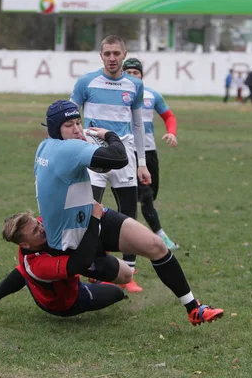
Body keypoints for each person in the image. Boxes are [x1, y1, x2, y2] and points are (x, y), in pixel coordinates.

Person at [30, 100, 224, 326]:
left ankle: (195, 309)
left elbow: (88, 166)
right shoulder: (69, 149)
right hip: (73, 243)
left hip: (93, 214)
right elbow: (119, 158)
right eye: (68, 125)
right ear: (55, 129)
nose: (76, 129)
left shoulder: (45, 146)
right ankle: (88, 271)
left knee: (155, 247)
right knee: (122, 275)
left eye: (77, 122)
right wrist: (108, 134)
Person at [70, 35, 151, 293]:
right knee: (88, 213)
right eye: (108, 54)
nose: (112, 58)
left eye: (117, 53)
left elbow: (138, 125)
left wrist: (142, 163)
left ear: (124, 54)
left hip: (124, 156)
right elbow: (71, 118)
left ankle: (130, 272)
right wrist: (74, 149)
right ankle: (96, 266)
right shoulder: (86, 82)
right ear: (101, 56)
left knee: (128, 214)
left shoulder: (134, 85)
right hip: (93, 155)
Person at [0, 202, 130, 316]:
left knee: (24, 272)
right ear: (24, 244)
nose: (42, 228)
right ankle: (96, 281)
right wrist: (94, 219)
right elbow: (81, 263)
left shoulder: (41, 230)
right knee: (117, 293)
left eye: (38, 224)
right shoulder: (38, 265)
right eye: (35, 231)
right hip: (65, 302)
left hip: (56, 276)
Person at [122, 58, 178, 250]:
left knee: (150, 195)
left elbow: (169, 116)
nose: (132, 76)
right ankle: (158, 236)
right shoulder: (117, 94)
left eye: (135, 73)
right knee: (144, 195)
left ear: (141, 75)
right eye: (127, 73)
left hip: (149, 152)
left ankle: (136, 234)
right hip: (128, 152)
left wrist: (171, 132)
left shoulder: (151, 95)